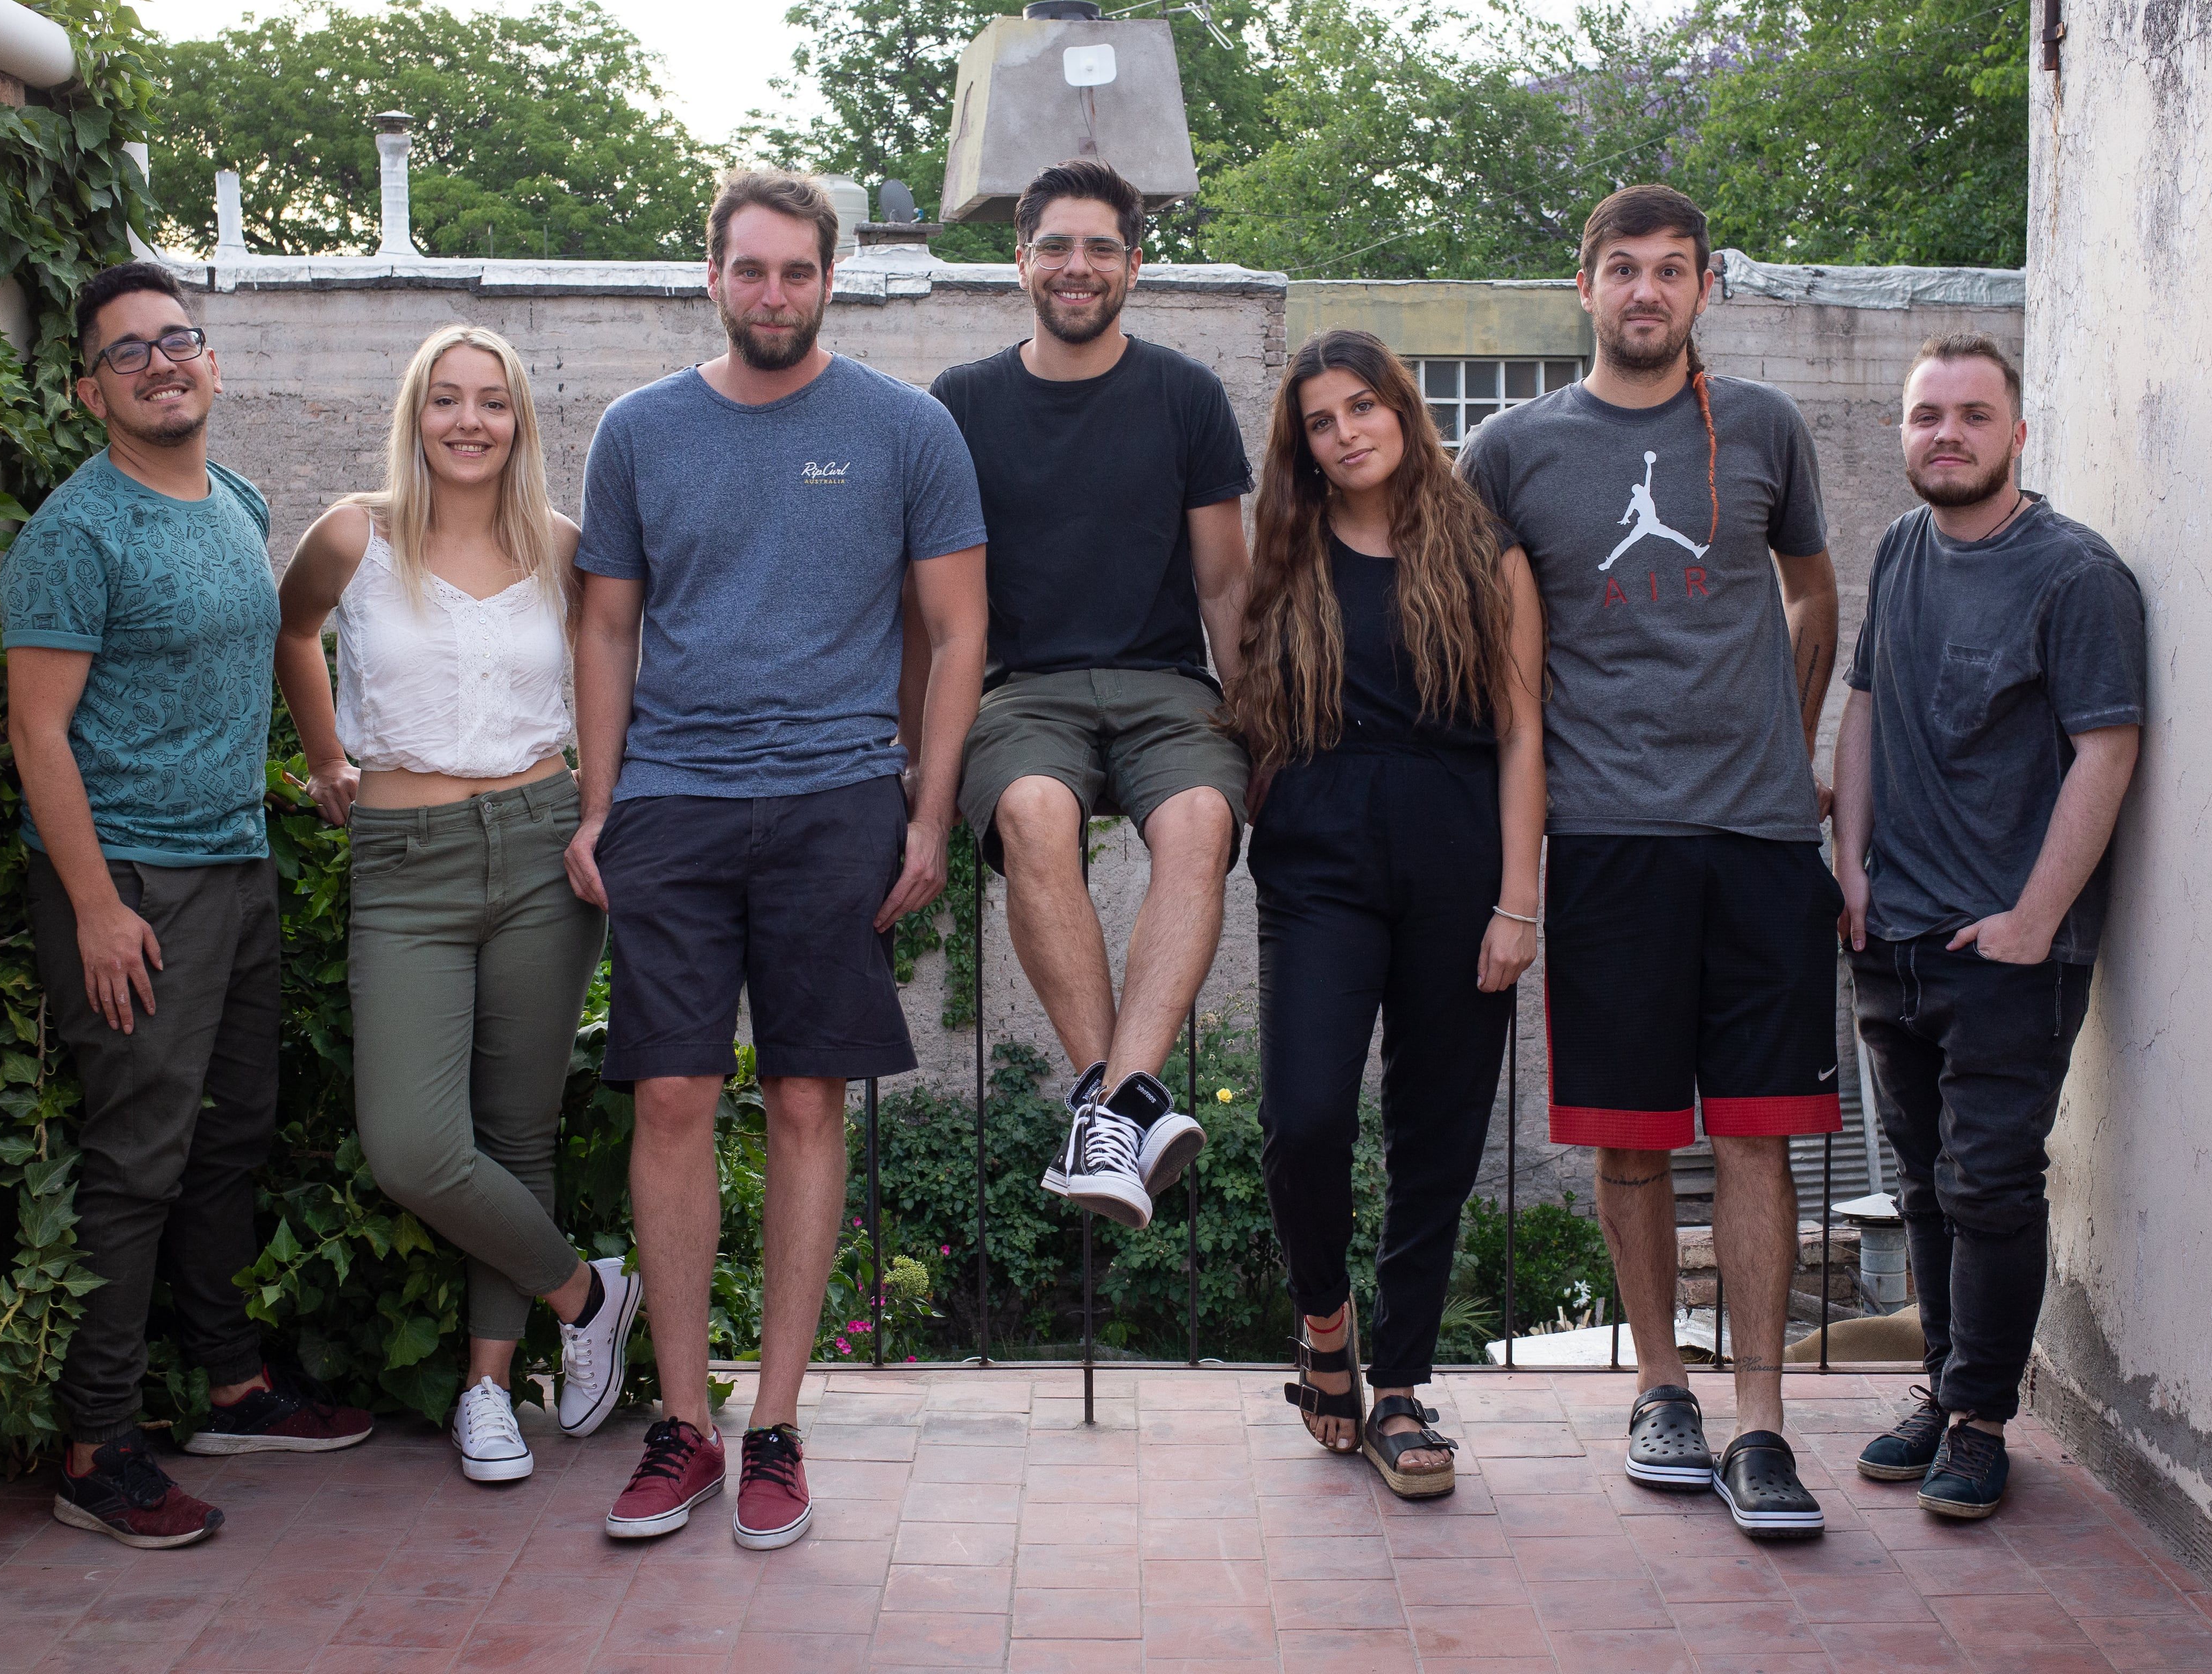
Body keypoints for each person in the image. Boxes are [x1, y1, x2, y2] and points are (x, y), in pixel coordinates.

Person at [565, 170, 988, 1551]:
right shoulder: (638, 431)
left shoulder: (903, 428)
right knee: (672, 1097)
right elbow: (610, 628)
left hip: (836, 797)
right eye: (748, 271)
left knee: (810, 1100)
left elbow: (957, 629)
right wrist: (599, 804)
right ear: (710, 276)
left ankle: (781, 1425)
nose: (772, 295)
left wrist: (926, 811)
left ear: (831, 277)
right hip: (676, 805)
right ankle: (683, 1423)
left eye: (797, 272)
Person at [1461, 184, 1844, 1542]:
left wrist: (1789, 749)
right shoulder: (1510, 449)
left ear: (1702, 290)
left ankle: (1759, 1424)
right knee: (1630, 1140)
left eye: (1670, 270)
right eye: (1622, 269)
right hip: (1609, 835)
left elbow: (1811, 588)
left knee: (1757, 1137)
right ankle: (1662, 1386)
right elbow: (1470, 631)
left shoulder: (1765, 428)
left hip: (1758, 838)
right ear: (1584, 286)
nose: (1645, 291)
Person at [2, 262, 372, 1552]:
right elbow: (38, 733)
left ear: (211, 361)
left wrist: (320, 764)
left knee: (232, 1135)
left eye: (180, 340)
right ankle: (98, 1449)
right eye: (129, 352)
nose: (162, 363)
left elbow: (277, 643)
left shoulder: (235, 497)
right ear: (89, 387)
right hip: (137, 889)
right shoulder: (77, 532)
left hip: (238, 863)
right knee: (138, 1162)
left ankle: (233, 1387)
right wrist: (98, 906)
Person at [273, 323, 637, 1487]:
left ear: (521, 420)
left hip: (540, 847)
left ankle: (488, 1388)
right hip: (404, 859)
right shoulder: (354, 536)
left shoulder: (567, 550)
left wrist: (600, 811)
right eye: (447, 400)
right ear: (416, 415)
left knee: (516, 1131)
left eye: (493, 401)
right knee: (415, 1146)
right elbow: (292, 632)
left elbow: (619, 673)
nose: (469, 421)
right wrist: (329, 756)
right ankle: (589, 1294)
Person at [1224, 331, 1545, 1501]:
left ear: (1402, 411)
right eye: (1321, 419)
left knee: (1437, 1132)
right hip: (1318, 840)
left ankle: (1400, 1386)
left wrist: (1520, 898)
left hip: (1459, 843)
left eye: (1365, 406)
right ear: (1301, 446)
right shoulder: (1286, 551)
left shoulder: (1484, 552)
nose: (1348, 429)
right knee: (1302, 1113)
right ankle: (1325, 1325)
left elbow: (1522, 735)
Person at [1833, 334, 2145, 1521]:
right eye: (1926, 416)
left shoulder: (2073, 574)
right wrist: (1849, 867)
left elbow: (2106, 749)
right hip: (1894, 932)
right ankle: (1941, 1381)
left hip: (2010, 948)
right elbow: (1864, 707)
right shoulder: (1902, 547)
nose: (1946, 434)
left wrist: (2033, 914)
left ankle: (1978, 1418)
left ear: (2018, 432)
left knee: (1990, 1182)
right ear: (1903, 433)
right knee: (1921, 1184)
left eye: (1971, 414)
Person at [924, 158, 1252, 1232]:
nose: (1077, 266)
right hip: (1026, 690)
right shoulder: (962, 404)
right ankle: (1126, 1105)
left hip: (1167, 683)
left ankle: (1110, 1106)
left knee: (1203, 817)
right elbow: (938, 610)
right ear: (1019, 259)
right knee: (1031, 812)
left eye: (1100, 247)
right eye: (1056, 245)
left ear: (1134, 264)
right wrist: (918, 777)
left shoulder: (1186, 394)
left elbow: (1222, 583)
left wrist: (1260, 734)